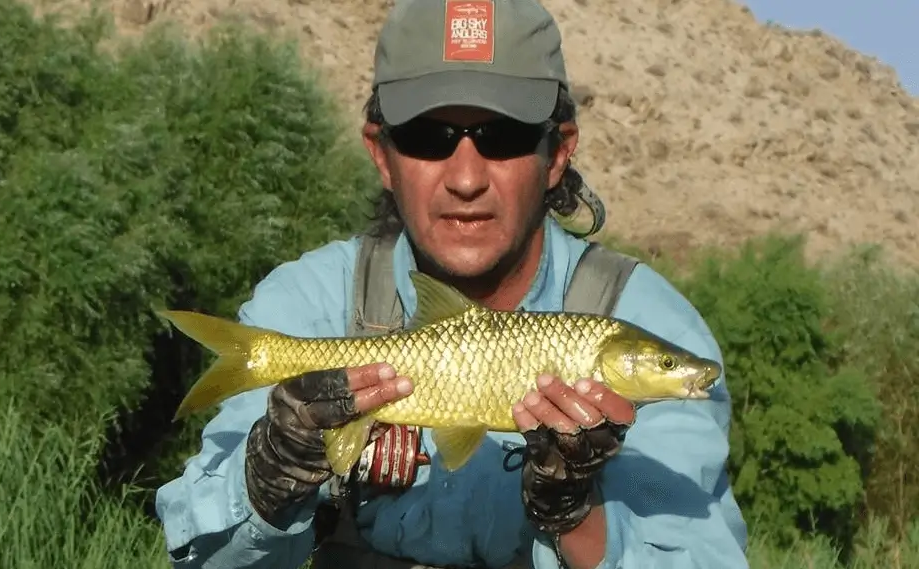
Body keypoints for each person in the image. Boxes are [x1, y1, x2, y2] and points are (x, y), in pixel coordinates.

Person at [154, 1, 750, 568]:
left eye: (504, 136)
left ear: (558, 153)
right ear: (382, 155)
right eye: (428, 137)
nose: (466, 178)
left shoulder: (650, 319)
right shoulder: (303, 305)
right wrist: (270, 478)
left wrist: (574, 514)